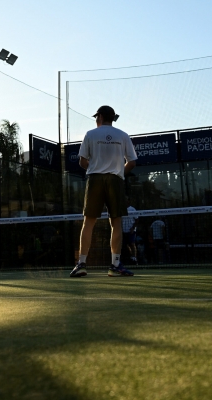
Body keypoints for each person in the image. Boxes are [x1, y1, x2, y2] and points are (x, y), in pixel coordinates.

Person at [70, 105, 137, 278]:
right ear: (112, 118)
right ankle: (115, 266)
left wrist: (93, 168)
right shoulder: (123, 135)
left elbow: (82, 162)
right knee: (116, 222)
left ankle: (82, 264)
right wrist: (119, 172)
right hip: (116, 180)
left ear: (99, 117)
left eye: (96, 117)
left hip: (95, 179)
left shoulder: (90, 134)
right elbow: (132, 162)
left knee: (88, 222)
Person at [121, 197, 138, 264]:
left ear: (128, 201)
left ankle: (134, 258)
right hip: (123, 231)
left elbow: (137, 220)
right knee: (125, 245)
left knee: (132, 244)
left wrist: (132, 228)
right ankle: (129, 258)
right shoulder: (121, 209)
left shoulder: (132, 209)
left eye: (126, 200)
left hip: (131, 231)